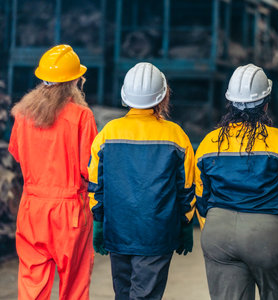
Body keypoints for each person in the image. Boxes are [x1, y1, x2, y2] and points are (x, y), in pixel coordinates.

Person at [195, 64, 278, 300]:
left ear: (230, 102)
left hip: (218, 233)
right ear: (266, 103)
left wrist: (213, 225)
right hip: (268, 235)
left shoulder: (209, 143)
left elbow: (200, 198)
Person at [88, 62, 195, 300]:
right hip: (157, 233)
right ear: (163, 96)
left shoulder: (108, 132)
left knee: (123, 294)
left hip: (118, 231)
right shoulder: (175, 135)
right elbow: (187, 187)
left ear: (125, 95)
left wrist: (98, 222)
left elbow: (96, 184)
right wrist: (187, 224)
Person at [8, 45, 98, 299]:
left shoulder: (23, 115)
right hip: (69, 213)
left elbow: (17, 153)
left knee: (32, 281)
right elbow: (89, 168)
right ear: (75, 81)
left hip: (31, 209)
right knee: (74, 284)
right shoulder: (82, 116)